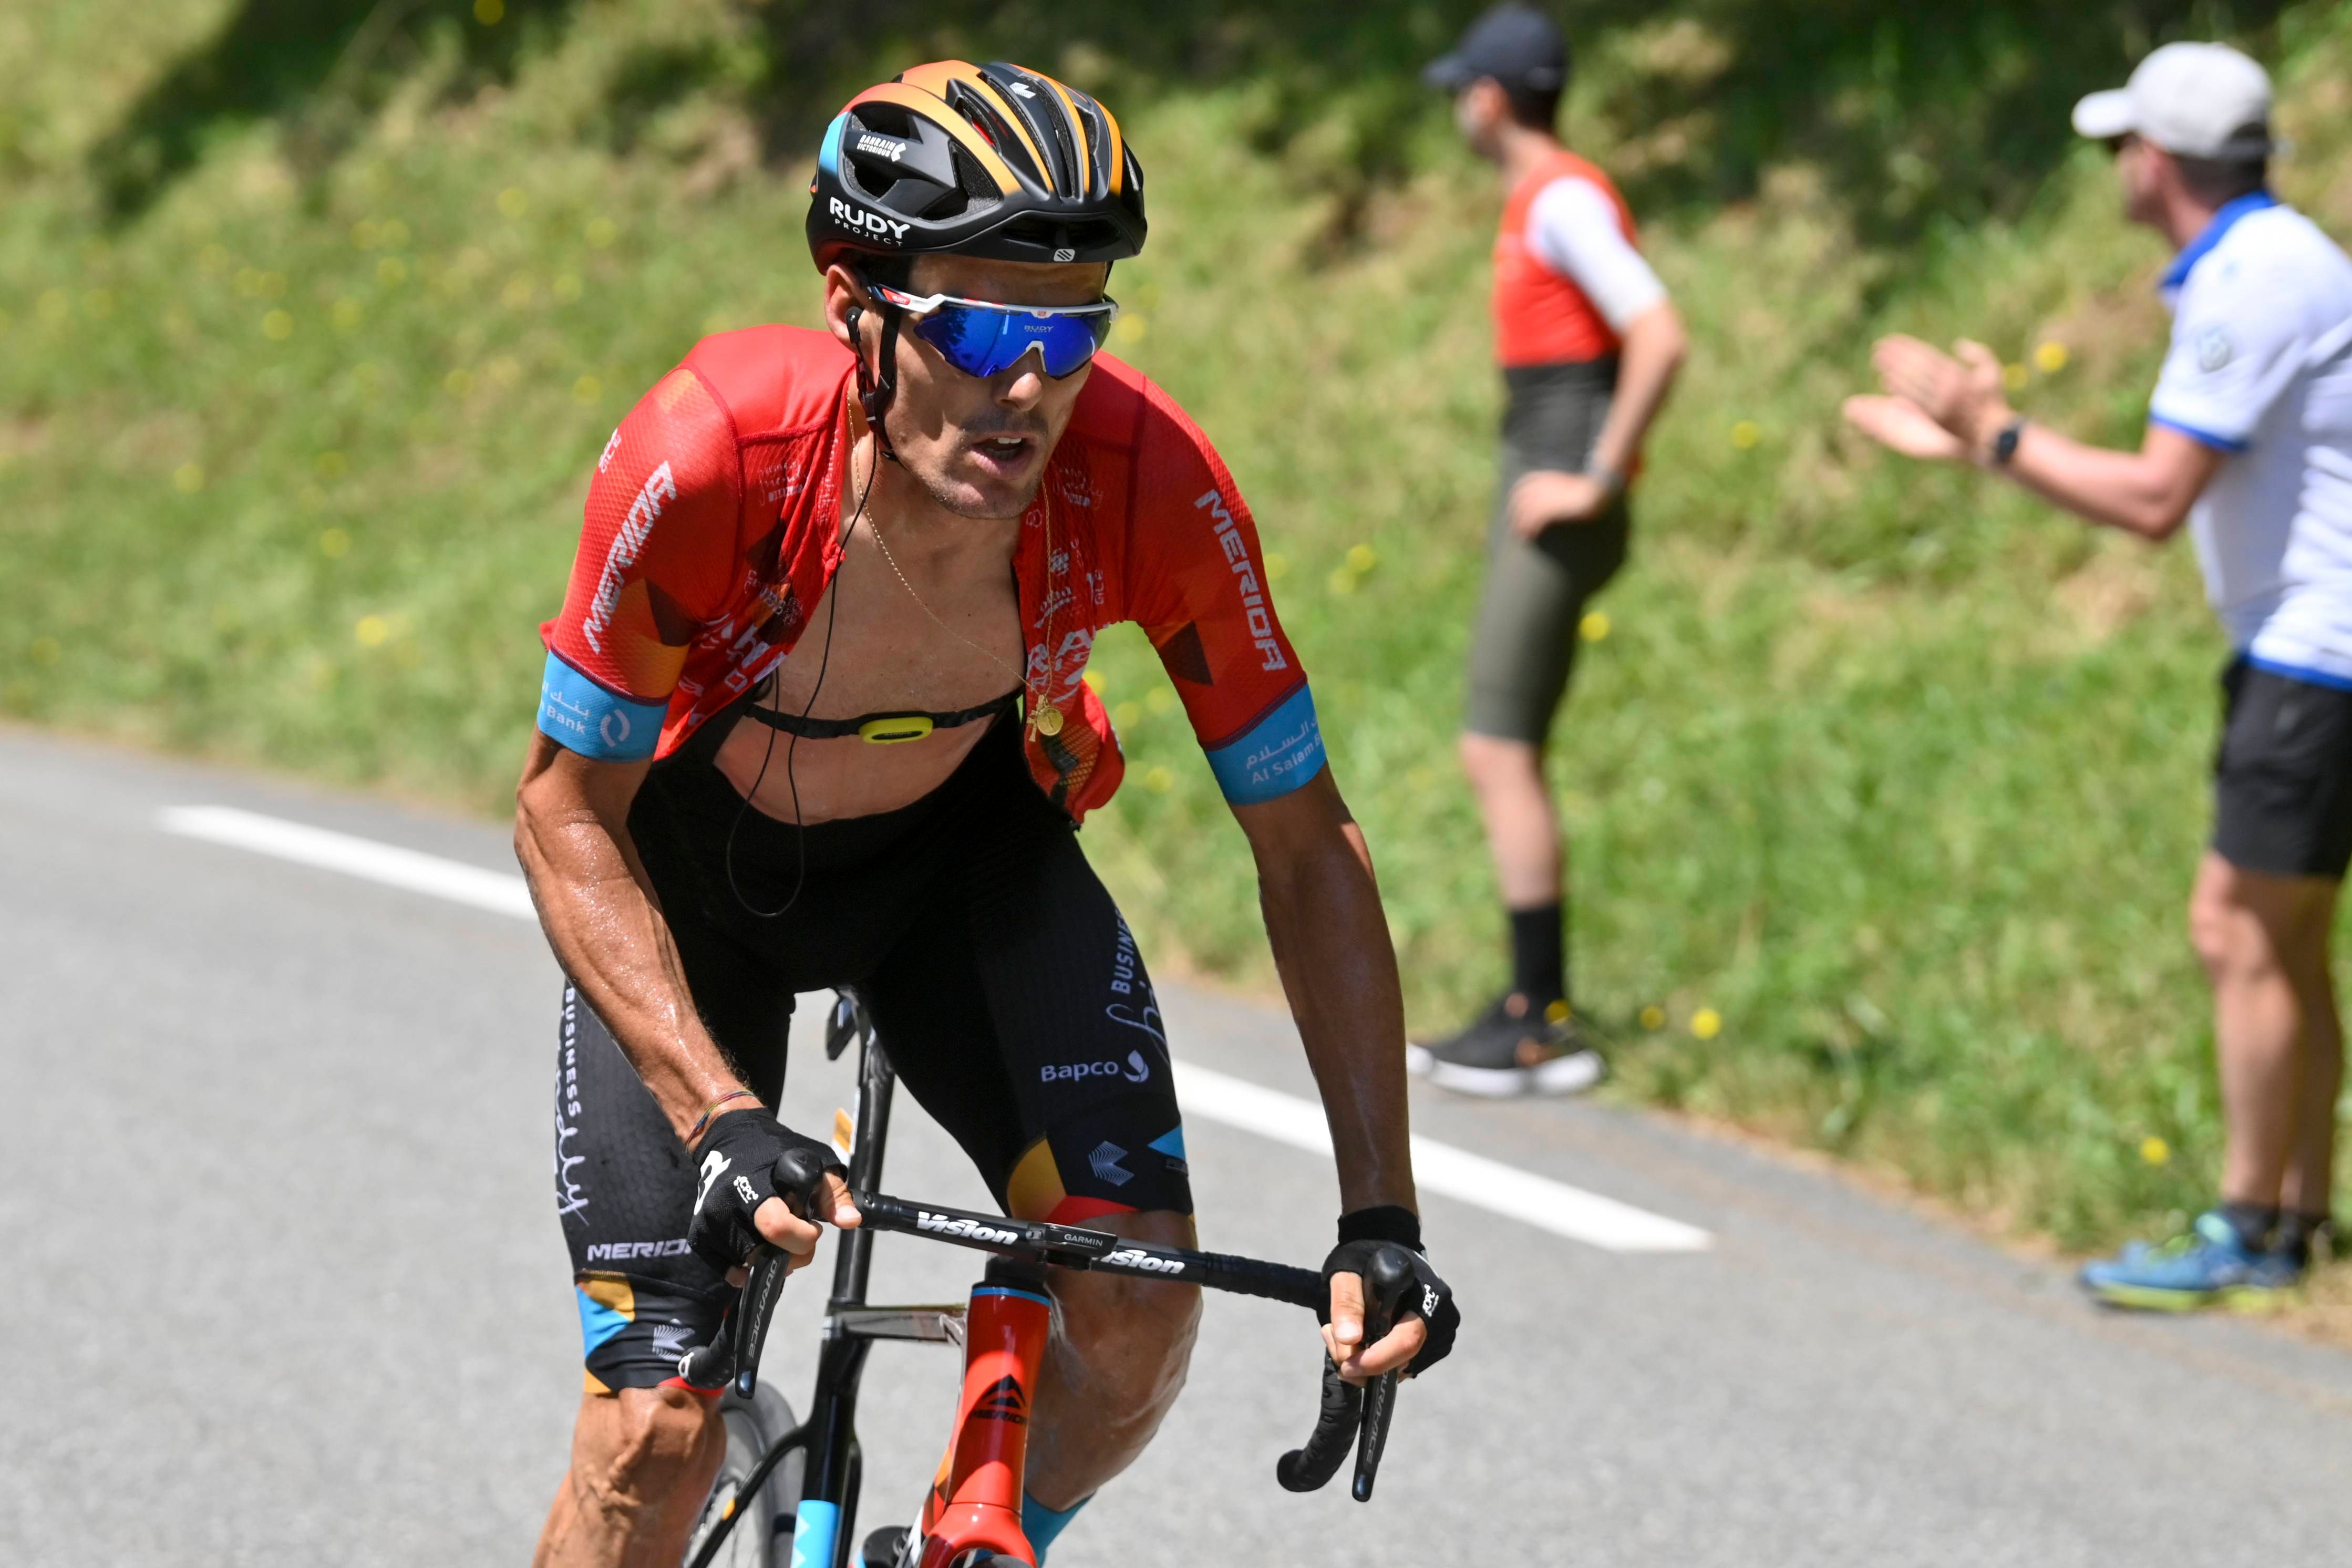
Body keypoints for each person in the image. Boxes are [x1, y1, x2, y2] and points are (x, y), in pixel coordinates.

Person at [514, 60, 1458, 1567]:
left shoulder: (1148, 478)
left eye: (1072, 329)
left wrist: (1380, 1217)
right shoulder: (713, 453)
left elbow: (1302, 841)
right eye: (980, 325)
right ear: (854, 302)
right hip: (694, 891)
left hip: (958, 870)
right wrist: (719, 1116)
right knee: (655, 1427)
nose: (1029, 385)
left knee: (1140, 1308)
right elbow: (565, 812)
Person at [1845, 41, 2352, 1310]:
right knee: (2286, 943)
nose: (2116, 165)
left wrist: (1992, 435)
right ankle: (2295, 1217)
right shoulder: (2272, 263)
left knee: (2235, 928)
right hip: (2303, 651)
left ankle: (2250, 1225)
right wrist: (1984, 450)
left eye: (2122, 143)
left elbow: (2149, 497)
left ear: (2159, 159)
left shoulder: (2254, 280)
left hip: (2315, 652)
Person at [1408, 5, 1689, 1097]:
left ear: (1488, 98)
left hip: (1560, 494)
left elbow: (1658, 332)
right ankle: (1536, 1006)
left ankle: (1539, 1017)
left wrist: (1596, 477)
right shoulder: (1547, 195)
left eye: (1460, 93)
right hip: (1544, 479)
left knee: (1496, 744)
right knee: (1502, 742)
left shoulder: (1562, 197)